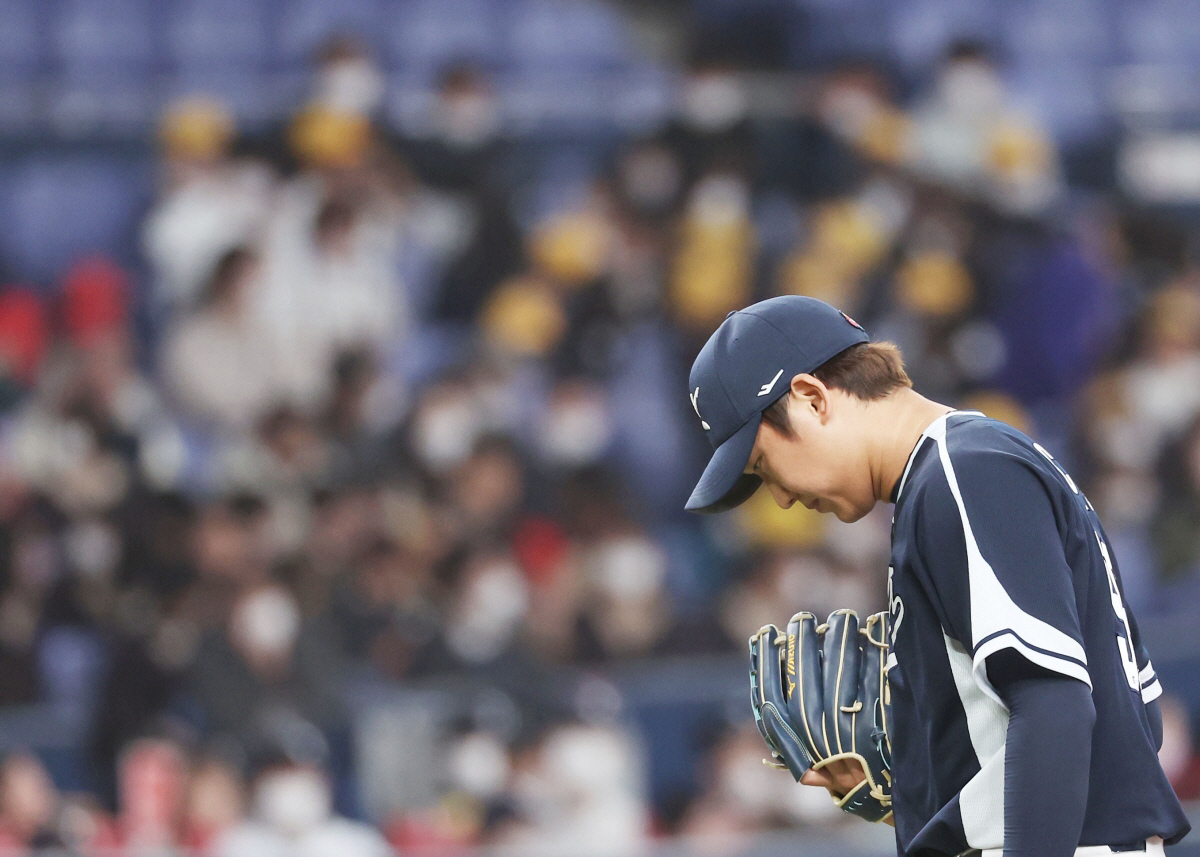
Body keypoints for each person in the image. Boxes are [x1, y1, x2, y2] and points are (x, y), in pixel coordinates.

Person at [683, 295, 1190, 856]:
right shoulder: (950, 476)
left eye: (762, 465)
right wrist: (918, 781)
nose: (778, 497)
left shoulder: (964, 472)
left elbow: (1054, 703)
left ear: (811, 398)